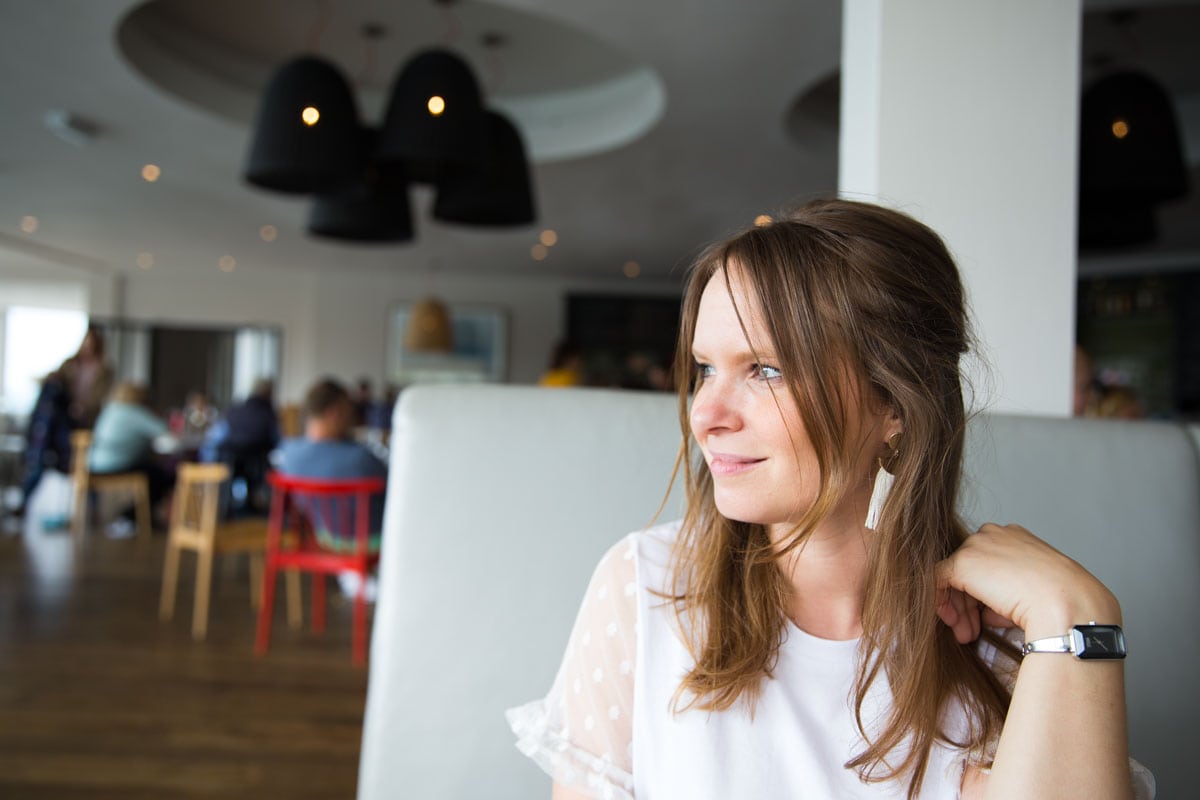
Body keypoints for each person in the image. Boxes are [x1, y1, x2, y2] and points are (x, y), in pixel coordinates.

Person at [507, 199, 1152, 799]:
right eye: (705, 368)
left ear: (894, 404)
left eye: (765, 369)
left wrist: (1078, 612)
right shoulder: (647, 591)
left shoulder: (1012, 642)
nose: (705, 413)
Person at [277, 378, 387, 555]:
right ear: (334, 413)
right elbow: (396, 492)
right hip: (371, 541)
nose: (352, 417)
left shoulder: (288, 455)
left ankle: (352, 579)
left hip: (323, 537)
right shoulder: (361, 458)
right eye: (348, 411)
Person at [89, 382, 174, 532]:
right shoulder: (134, 411)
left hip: (94, 465)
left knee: (153, 470)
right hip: (117, 465)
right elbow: (163, 430)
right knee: (162, 476)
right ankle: (131, 516)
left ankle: (132, 516)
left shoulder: (110, 409)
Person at [59, 326, 114, 430]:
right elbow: (58, 379)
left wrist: (85, 406)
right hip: (66, 410)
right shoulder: (71, 363)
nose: (89, 347)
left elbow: (102, 391)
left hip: (91, 413)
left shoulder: (104, 368)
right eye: (87, 343)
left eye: (92, 344)